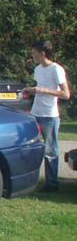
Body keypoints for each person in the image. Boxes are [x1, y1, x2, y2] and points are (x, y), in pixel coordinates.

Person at [22, 40, 71, 193]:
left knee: (50, 150)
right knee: (30, 147)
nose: (32, 55)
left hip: (50, 115)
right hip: (36, 112)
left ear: (42, 53)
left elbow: (65, 94)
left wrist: (41, 89)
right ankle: (28, 180)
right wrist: (30, 90)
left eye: (33, 52)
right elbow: (39, 89)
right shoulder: (37, 69)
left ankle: (52, 184)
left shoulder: (56, 69)